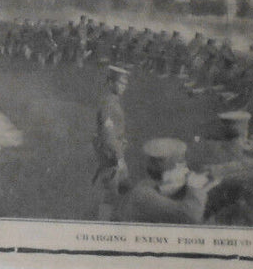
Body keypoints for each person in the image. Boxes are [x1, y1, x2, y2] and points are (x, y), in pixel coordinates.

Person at [116, 137, 216, 224]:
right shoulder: (142, 193)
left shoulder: (154, 187)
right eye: (181, 166)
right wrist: (195, 187)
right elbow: (191, 216)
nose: (187, 172)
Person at [93, 64, 130, 221]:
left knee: (119, 191)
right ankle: (104, 225)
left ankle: (113, 219)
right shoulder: (108, 103)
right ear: (110, 82)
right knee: (110, 194)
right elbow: (108, 134)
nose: (123, 87)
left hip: (114, 153)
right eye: (120, 83)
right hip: (111, 156)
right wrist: (119, 158)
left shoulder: (113, 100)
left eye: (125, 84)